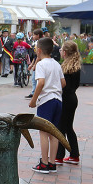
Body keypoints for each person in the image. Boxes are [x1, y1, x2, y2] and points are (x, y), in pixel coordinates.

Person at [28, 37, 66, 174]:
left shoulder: (41, 65)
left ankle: (44, 163)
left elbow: (41, 83)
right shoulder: (56, 63)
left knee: (43, 133)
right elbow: (63, 83)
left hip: (46, 101)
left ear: (38, 50)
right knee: (53, 133)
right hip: (58, 100)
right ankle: (52, 162)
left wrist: (33, 100)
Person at [54, 40, 81, 166]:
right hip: (72, 99)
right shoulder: (75, 65)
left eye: (61, 50)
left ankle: (59, 156)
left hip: (65, 100)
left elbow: (64, 87)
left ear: (64, 52)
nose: (60, 52)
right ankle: (74, 155)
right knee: (68, 128)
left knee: (61, 128)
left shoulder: (65, 67)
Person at [25, 28, 44, 99]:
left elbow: (38, 56)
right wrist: (32, 64)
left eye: (34, 35)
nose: (33, 36)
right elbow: (35, 56)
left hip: (40, 63)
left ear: (38, 35)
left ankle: (35, 93)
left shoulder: (40, 43)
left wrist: (35, 65)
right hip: (37, 61)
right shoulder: (38, 42)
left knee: (35, 79)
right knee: (34, 79)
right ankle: (34, 92)